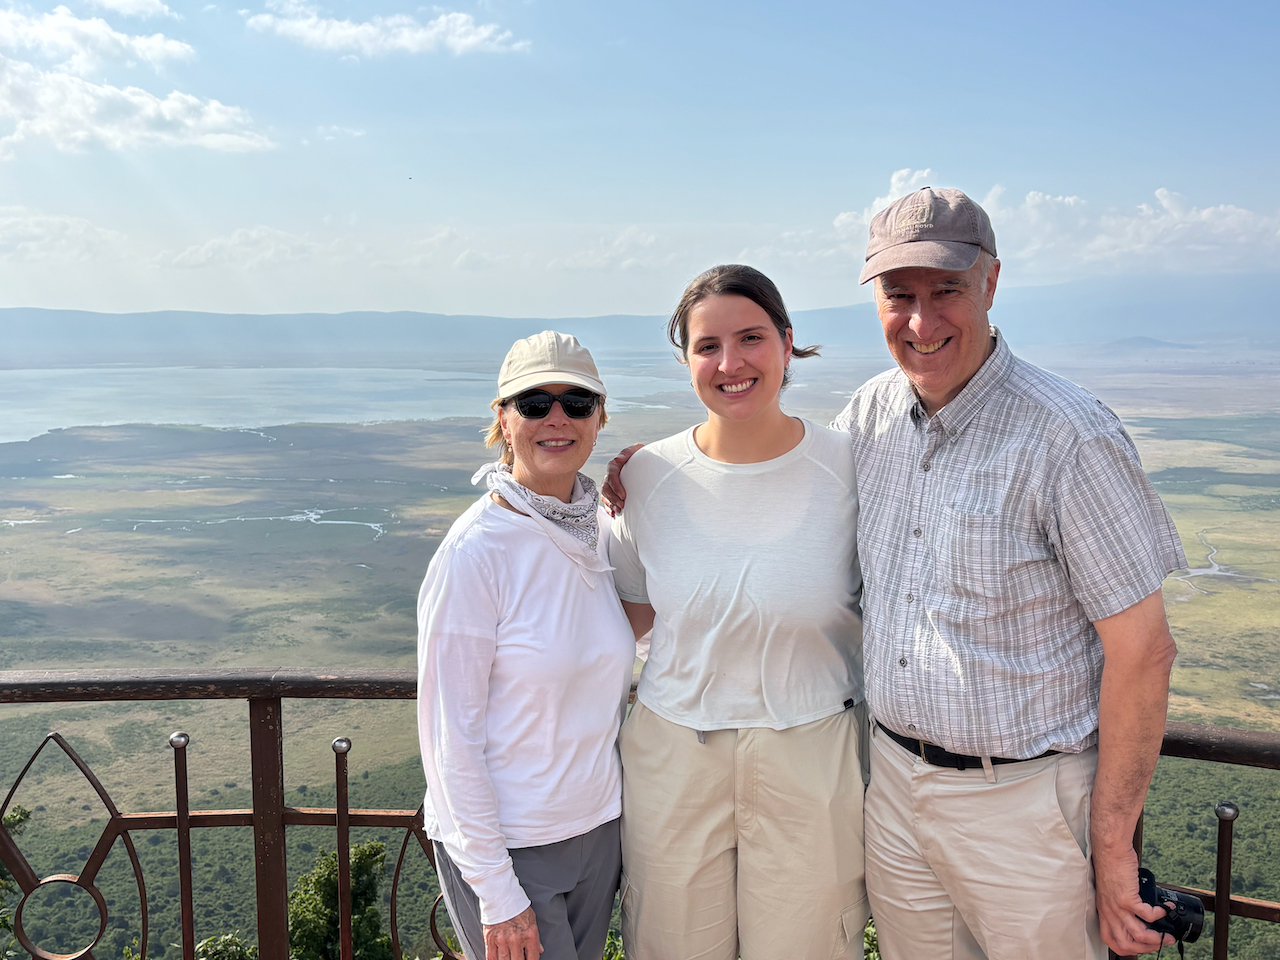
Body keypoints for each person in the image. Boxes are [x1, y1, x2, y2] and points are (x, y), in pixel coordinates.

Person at [832, 186, 1185, 959]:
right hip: (892, 784)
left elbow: (1143, 651)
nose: (921, 323)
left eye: (946, 291)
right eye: (899, 296)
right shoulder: (868, 414)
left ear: (991, 284)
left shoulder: (1067, 435)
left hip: (1024, 806)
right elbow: (781, 492)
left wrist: (1115, 850)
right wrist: (656, 470)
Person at [607, 265, 869, 960]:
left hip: (812, 747)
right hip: (673, 753)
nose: (730, 363)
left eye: (751, 338)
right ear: (686, 359)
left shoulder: (852, 467)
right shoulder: (644, 478)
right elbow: (627, 623)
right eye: (706, 346)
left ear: (786, 343)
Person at [416, 330, 636, 960]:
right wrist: (495, 889)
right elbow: (448, 735)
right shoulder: (475, 552)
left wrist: (660, 476)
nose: (557, 418)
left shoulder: (595, 528)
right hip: (512, 848)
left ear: (599, 418)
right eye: (535, 403)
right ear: (503, 421)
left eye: (577, 403)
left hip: (598, 831)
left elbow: (614, 634)